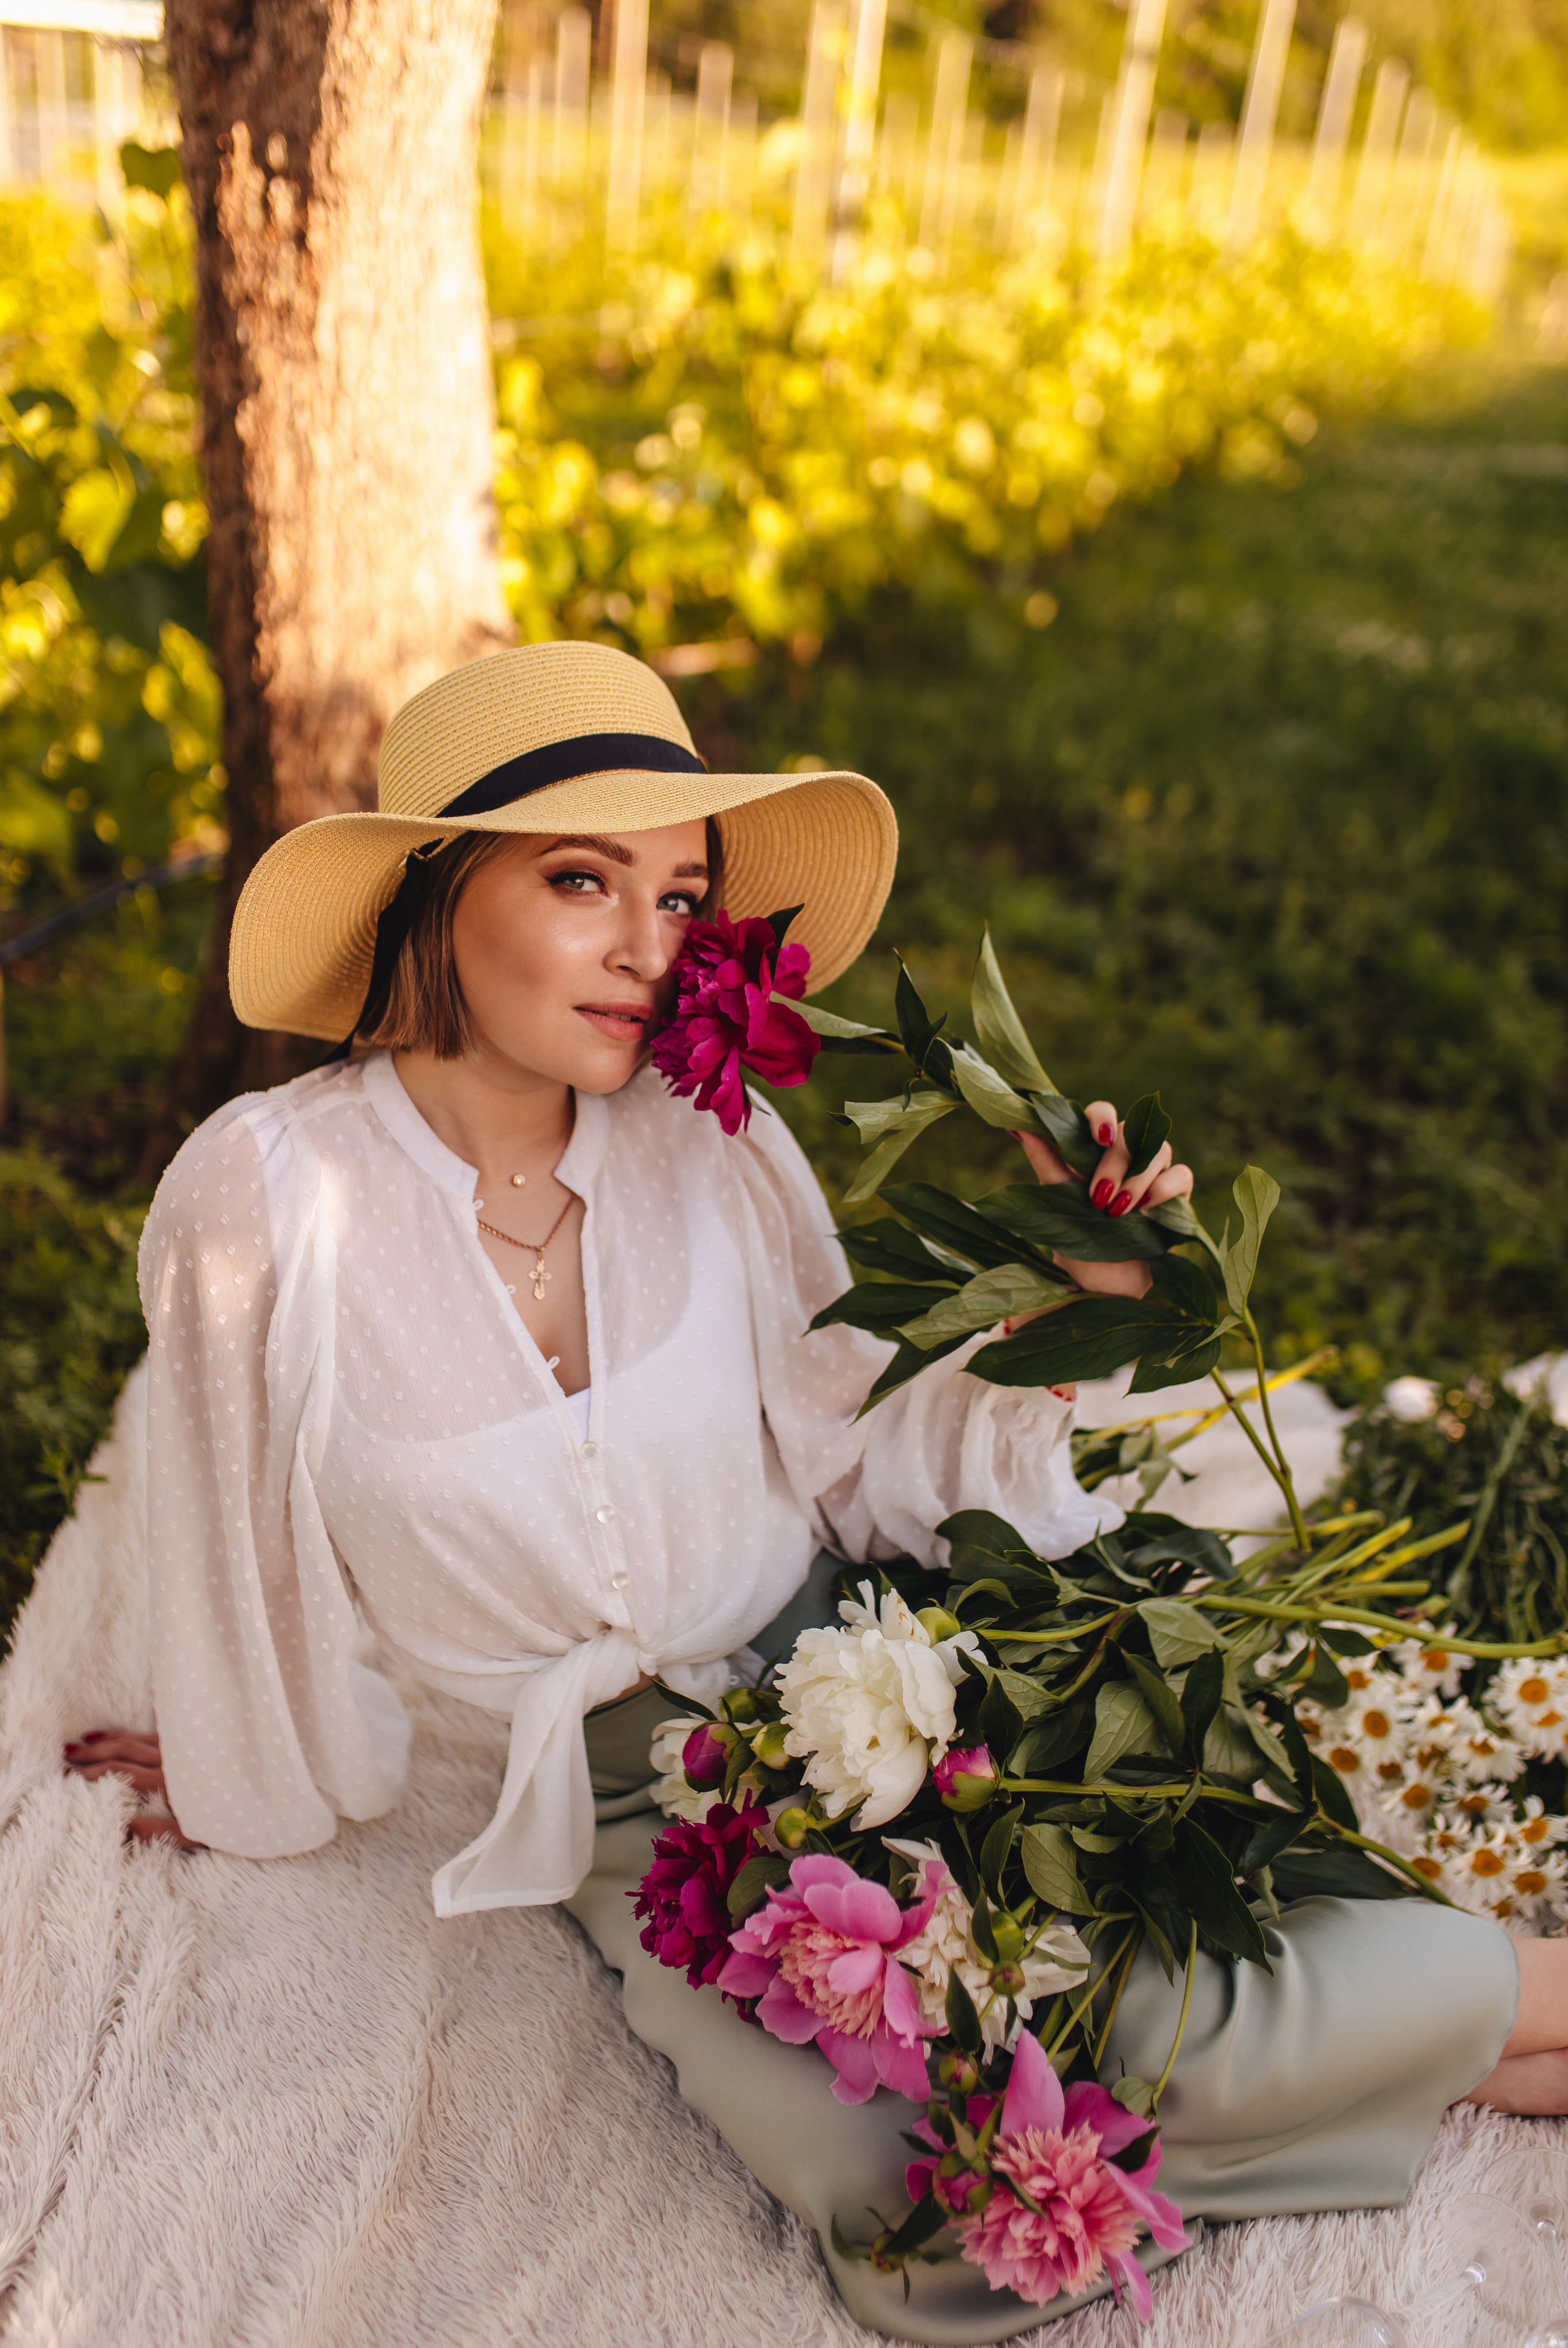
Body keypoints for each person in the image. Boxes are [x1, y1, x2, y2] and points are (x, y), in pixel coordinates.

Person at [63, 643, 1566, 2340]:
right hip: (630, 1822)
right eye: (581, 881)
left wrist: (1074, 1315)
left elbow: (861, 1462)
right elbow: (224, 1520)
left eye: (681, 896)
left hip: (863, 1678)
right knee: (933, 2244)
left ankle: (1512, 2013)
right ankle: (1471, 2043)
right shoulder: (267, 1200)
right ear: (433, 893)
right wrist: (245, 1762)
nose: (651, 950)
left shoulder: (711, 1145)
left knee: (1141, 2019)